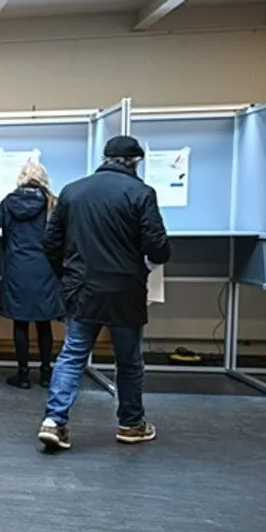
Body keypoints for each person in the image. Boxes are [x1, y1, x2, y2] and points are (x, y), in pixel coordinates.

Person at [38, 135, 171, 451]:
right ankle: (131, 424)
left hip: (83, 287)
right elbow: (158, 247)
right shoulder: (141, 193)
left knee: (73, 354)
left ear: (104, 158)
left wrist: (69, 275)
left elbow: (50, 242)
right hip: (125, 290)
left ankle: (54, 421)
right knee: (128, 360)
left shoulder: (72, 191)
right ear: (135, 161)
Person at [0, 161, 65, 389]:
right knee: (44, 324)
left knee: (21, 323)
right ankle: (46, 374)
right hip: (45, 270)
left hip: (17, 270)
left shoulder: (9, 202)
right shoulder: (52, 203)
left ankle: (23, 375)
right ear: (44, 179)